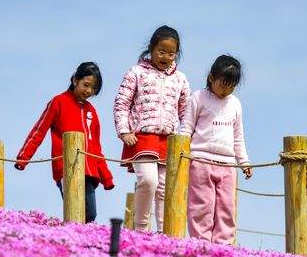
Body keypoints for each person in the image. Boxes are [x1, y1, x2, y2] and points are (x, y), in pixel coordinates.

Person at [15, 62, 114, 222]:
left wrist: (106, 177)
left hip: (90, 172)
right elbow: (39, 131)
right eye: (86, 85)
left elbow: (95, 147)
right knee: (76, 211)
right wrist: (23, 158)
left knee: (90, 215)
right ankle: (71, 242)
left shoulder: (92, 112)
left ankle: (81, 244)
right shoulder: (58, 102)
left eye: (93, 89)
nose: (88, 91)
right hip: (66, 168)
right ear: (75, 80)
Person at [113, 25, 190, 232]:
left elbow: (186, 112)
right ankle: (141, 229)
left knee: (166, 188)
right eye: (161, 51)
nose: (165, 56)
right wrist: (124, 131)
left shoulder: (180, 78)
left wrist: (186, 139)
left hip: (170, 141)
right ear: (151, 49)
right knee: (148, 181)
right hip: (142, 137)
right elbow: (121, 103)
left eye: (171, 53)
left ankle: (165, 233)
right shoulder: (136, 72)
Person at [177, 54, 252, 244]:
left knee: (227, 207)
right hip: (201, 162)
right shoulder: (198, 97)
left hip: (227, 165)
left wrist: (244, 162)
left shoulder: (235, 104)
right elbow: (186, 128)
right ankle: (201, 243)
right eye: (223, 83)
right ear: (211, 77)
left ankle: (223, 246)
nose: (226, 89)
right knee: (202, 205)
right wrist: (181, 156)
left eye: (231, 85)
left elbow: (238, 137)